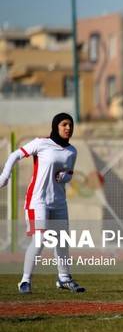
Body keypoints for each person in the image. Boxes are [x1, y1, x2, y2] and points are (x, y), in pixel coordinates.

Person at [0, 113, 85, 294]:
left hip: (59, 202)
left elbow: (68, 174)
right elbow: (15, 155)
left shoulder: (72, 151)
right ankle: (25, 281)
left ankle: (64, 278)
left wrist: (67, 176)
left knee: (62, 241)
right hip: (38, 201)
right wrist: (4, 176)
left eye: (70, 125)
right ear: (56, 126)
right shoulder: (41, 143)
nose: (68, 128)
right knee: (40, 239)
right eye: (64, 124)